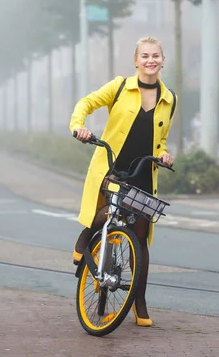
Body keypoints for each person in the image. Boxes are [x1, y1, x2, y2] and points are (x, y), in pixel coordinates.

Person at [69, 36, 177, 327]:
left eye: (155, 55)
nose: (150, 60)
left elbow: (161, 139)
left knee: (139, 240)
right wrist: (78, 126)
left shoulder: (170, 99)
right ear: (136, 60)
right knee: (108, 210)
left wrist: (165, 155)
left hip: (143, 174)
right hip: (112, 166)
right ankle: (88, 232)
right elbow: (87, 102)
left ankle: (138, 301)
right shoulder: (119, 86)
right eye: (145, 56)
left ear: (163, 60)